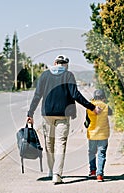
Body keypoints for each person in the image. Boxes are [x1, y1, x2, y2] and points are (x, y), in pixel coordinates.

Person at [27, 55, 102, 184]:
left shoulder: (45, 75)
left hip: (47, 114)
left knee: (49, 144)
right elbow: (75, 95)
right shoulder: (68, 75)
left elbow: (37, 95)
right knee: (60, 144)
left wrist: (30, 113)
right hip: (63, 115)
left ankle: (51, 170)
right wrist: (92, 107)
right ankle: (57, 174)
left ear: (55, 63)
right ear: (66, 64)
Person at [84, 89, 112, 182]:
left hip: (92, 134)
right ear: (103, 97)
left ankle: (92, 171)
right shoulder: (106, 106)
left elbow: (86, 122)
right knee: (101, 154)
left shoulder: (89, 106)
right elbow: (111, 113)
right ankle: (99, 175)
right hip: (103, 134)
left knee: (92, 152)